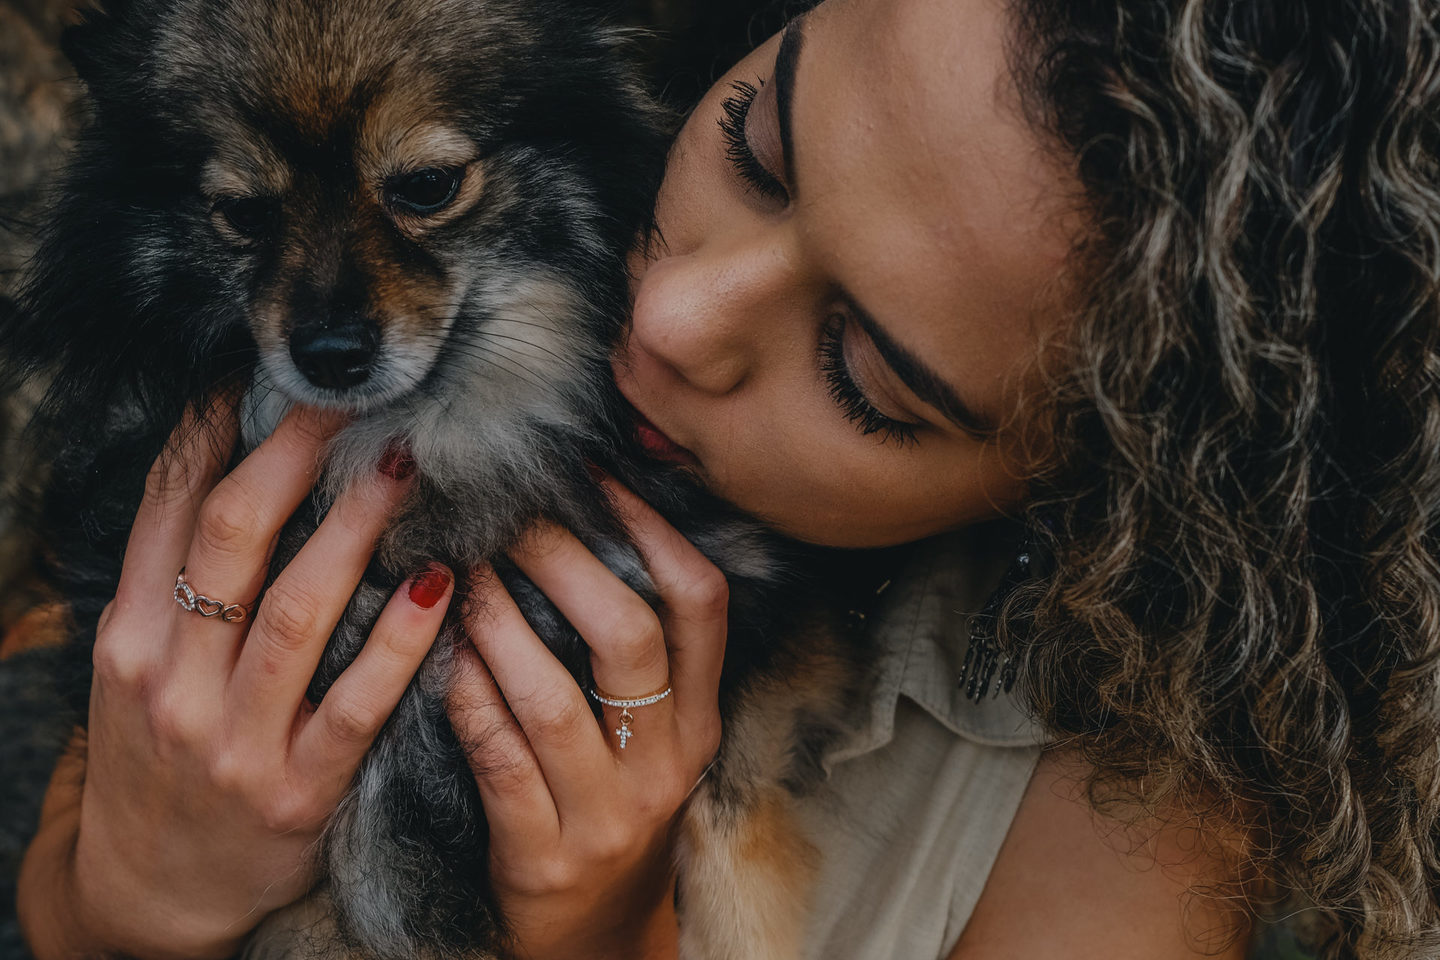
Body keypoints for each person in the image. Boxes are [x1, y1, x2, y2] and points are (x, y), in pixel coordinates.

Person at [13, 0, 1440, 957]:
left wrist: (598, 935)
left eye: (865, 375)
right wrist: (133, 900)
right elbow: (73, 885)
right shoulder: (349, 399)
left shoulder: (1132, 819)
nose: (673, 317)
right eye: (756, 142)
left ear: (1109, 482)